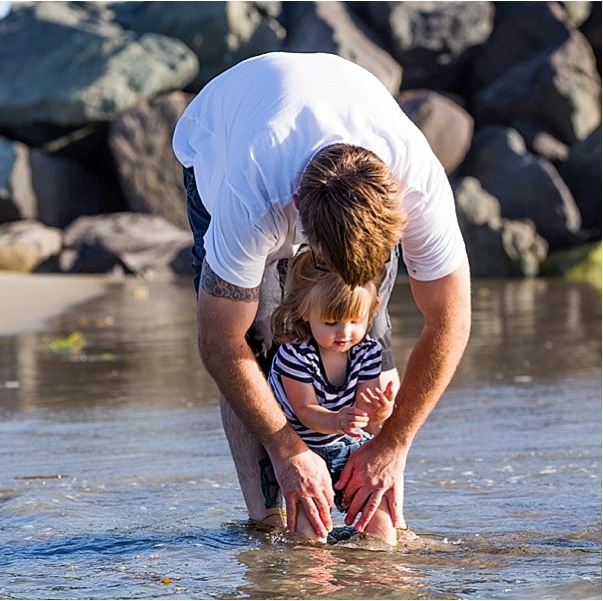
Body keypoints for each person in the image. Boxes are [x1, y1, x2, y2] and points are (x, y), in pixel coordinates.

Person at [172, 52, 471, 540]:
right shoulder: (252, 194)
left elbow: (451, 321)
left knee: (365, 340)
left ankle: (373, 501)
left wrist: (393, 444)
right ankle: (267, 522)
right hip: (222, 130)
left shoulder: (416, 183)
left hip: (346, 111)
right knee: (260, 340)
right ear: (300, 226)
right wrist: (288, 450)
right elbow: (221, 342)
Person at [267, 249, 397, 544]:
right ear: (304, 311)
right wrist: (338, 420)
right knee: (308, 538)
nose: (345, 332)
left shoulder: (367, 351)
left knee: (381, 533)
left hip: (350, 451)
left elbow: (364, 412)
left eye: (355, 321)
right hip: (306, 453)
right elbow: (305, 410)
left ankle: (370, 580)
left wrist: (380, 410)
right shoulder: (295, 355)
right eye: (331, 322)